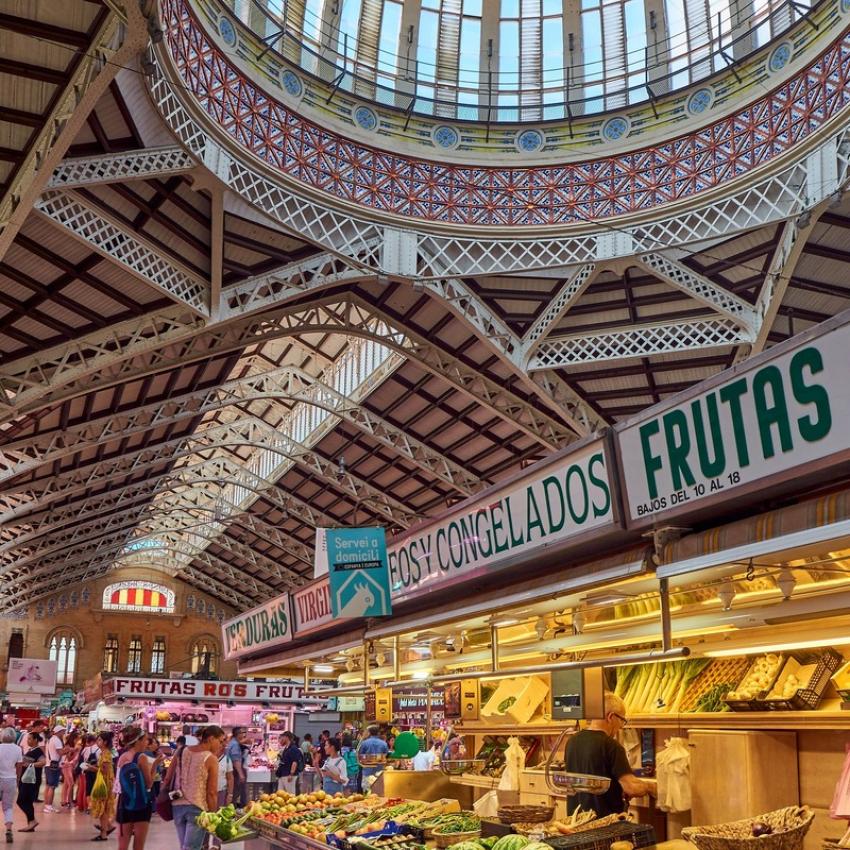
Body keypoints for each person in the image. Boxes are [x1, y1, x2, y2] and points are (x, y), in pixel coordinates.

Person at [565, 692, 654, 818]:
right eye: (622, 720)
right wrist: (651, 787)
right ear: (611, 717)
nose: (621, 726)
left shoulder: (572, 741)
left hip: (576, 824)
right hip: (603, 825)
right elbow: (631, 788)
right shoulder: (612, 746)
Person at [165, 725, 224, 850]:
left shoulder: (181, 751)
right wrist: (212, 815)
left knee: (185, 847)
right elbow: (211, 792)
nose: (221, 745)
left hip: (177, 805)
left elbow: (167, 778)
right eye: (220, 741)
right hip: (197, 808)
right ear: (211, 738)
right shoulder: (211, 758)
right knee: (192, 848)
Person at [115, 726, 154, 850]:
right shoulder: (141, 757)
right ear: (138, 741)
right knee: (138, 845)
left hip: (123, 802)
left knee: (122, 845)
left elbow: (118, 783)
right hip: (141, 803)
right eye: (145, 740)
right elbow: (149, 784)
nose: (147, 743)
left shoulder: (122, 757)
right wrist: (155, 767)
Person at [91, 731, 117, 841]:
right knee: (104, 807)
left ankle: (103, 834)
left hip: (105, 784)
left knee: (103, 809)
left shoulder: (105, 753)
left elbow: (104, 771)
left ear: (105, 742)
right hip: (106, 783)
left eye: (100, 740)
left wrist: (91, 768)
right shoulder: (104, 752)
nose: (97, 742)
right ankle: (108, 827)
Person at [16, 732, 44, 834]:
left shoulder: (38, 751)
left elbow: (43, 762)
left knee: (21, 800)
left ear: (36, 740)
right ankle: (30, 824)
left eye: (30, 739)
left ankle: (32, 821)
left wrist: (30, 764)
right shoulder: (31, 750)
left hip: (31, 780)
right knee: (27, 801)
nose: (28, 741)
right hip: (26, 779)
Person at [0, 728, 22, 842]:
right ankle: (8, 829)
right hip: (11, 779)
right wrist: (17, 779)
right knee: (8, 807)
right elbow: (19, 766)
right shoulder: (18, 749)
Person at [357, 726, 388, 791]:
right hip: (379, 773)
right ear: (378, 733)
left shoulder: (365, 743)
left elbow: (359, 755)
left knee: (367, 794)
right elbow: (386, 756)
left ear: (369, 733)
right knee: (379, 793)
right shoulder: (384, 743)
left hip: (367, 773)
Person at [42, 725, 64, 814]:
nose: (63, 733)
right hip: (54, 766)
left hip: (48, 765)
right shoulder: (57, 740)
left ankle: (47, 805)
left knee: (48, 785)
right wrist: (69, 750)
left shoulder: (50, 740)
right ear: (58, 732)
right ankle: (49, 806)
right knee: (52, 786)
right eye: (62, 731)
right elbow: (60, 752)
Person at [225, 728, 247, 809]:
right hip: (234, 771)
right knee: (235, 791)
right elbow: (235, 760)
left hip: (232, 770)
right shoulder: (234, 744)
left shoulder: (232, 742)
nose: (243, 735)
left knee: (234, 791)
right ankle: (232, 810)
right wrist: (241, 774)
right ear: (238, 734)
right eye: (242, 733)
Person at [77, 734, 98, 812]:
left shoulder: (85, 749)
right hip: (95, 771)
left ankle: (84, 807)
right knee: (93, 790)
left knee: (85, 790)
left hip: (85, 771)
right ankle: (91, 806)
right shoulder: (99, 749)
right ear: (94, 741)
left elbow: (82, 760)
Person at [60, 730, 81, 808]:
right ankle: (69, 801)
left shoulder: (72, 746)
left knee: (66, 784)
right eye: (78, 738)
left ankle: (63, 801)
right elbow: (68, 757)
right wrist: (73, 751)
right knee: (71, 784)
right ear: (74, 738)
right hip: (67, 766)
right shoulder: (69, 746)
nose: (79, 740)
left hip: (68, 766)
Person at [217, 741, 234, 809]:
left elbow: (230, 778)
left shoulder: (227, 760)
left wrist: (230, 795)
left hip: (221, 792)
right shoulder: (207, 758)